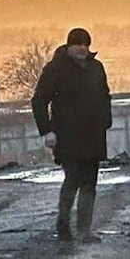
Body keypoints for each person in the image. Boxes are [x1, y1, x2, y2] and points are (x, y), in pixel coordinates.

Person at [31, 27, 112, 244]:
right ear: (69, 46)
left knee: (90, 182)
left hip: (93, 134)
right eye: (78, 44)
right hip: (67, 135)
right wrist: (47, 130)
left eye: (86, 44)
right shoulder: (56, 69)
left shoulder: (96, 68)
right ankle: (64, 223)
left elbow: (105, 95)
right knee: (73, 178)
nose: (83, 48)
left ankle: (84, 230)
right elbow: (39, 100)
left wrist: (106, 119)